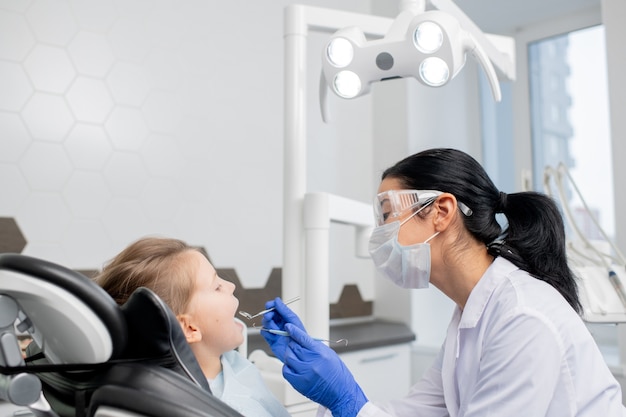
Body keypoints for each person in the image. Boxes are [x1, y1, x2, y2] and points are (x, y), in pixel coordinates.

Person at [261, 148, 626, 417]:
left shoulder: (522, 317)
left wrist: (347, 401)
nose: (380, 233)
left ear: (441, 211)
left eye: (388, 215)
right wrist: (339, 400)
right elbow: (418, 413)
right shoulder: (471, 316)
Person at [95, 236, 290, 417]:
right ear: (189, 328)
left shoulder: (228, 363)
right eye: (217, 287)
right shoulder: (227, 408)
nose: (231, 285)